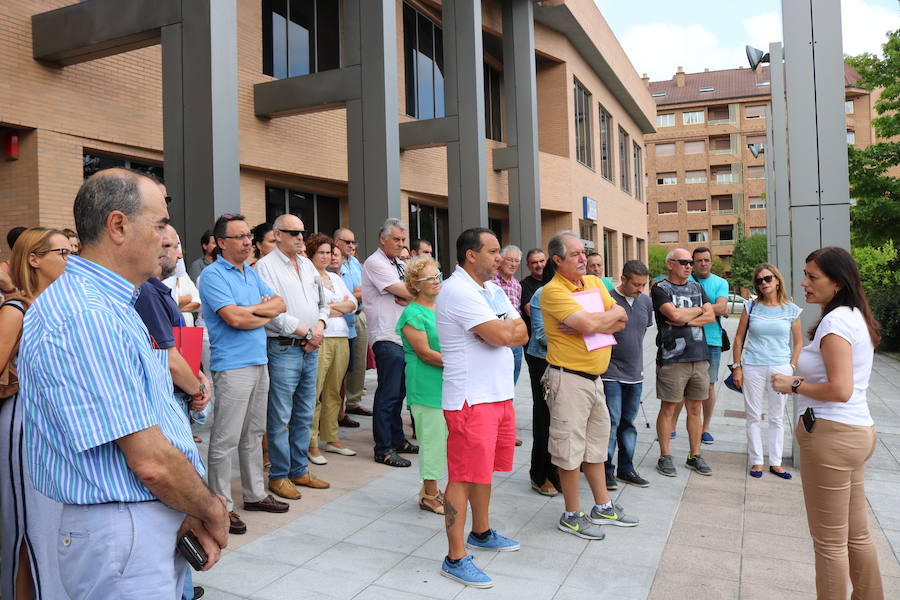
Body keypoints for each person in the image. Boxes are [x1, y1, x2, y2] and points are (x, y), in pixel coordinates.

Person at [19, 169, 229, 598]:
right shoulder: (88, 315)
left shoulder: (113, 304)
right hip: (122, 532)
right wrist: (211, 507)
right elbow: (149, 461)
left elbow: (154, 427)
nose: (168, 235)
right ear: (118, 225)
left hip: (136, 523)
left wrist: (184, 508)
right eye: (160, 223)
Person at [771, 247, 884, 599]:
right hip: (855, 433)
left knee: (830, 543)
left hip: (833, 437)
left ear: (837, 282)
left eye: (812, 277)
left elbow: (840, 389)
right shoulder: (853, 315)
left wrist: (793, 384)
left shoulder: (836, 322)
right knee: (855, 535)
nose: (803, 282)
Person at [436, 227, 527, 588]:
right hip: (470, 399)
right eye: (492, 252)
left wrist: (503, 330)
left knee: (484, 470)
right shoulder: (457, 290)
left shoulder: (490, 290)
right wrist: (503, 330)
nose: (500, 259)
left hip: (497, 393)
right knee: (462, 474)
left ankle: (482, 532)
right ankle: (455, 557)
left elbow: (521, 330)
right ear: (470, 255)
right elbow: (507, 336)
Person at [540, 231, 637, 540]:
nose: (583, 259)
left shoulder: (595, 283)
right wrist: (595, 320)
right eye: (575, 255)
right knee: (568, 450)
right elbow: (593, 324)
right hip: (567, 379)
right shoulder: (553, 292)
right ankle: (571, 514)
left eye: (584, 253)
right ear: (557, 260)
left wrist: (594, 321)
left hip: (595, 379)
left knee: (596, 447)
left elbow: (623, 317)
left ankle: (603, 506)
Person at [133, 223, 212, 600]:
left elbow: (182, 345)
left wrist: (198, 379)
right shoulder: (147, 293)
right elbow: (167, 357)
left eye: (177, 246)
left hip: (183, 390)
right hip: (171, 398)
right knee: (178, 498)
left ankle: (181, 586)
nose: (178, 254)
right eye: (169, 246)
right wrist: (196, 388)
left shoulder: (160, 290)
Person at [200, 213, 289, 536]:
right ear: (221, 243)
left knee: (254, 433)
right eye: (238, 237)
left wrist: (254, 313)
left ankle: (254, 494)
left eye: (248, 236)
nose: (247, 241)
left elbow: (280, 303)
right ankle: (221, 504)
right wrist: (259, 313)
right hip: (232, 365)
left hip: (258, 360)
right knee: (225, 438)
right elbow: (233, 319)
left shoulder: (250, 273)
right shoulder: (212, 276)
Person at [1, 227, 69, 600]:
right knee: (29, 529)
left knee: (52, 530)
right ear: (34, 259)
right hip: (24, 423)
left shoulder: (56, 306)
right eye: (62, 253)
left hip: (53, 426)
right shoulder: (16, 309)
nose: (69, 261)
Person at [253, 215, 331, 500]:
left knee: (305, 412)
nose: (300, 237)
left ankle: (300, 469)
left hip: (311, 346)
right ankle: (279, 475)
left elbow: (324, 303)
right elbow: (269, 313)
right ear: (277, 234)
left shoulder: (308, 264)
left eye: (302, 232)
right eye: (293, 232)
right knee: (281, 414)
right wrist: (305, 332)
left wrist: (319, 328)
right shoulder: (265, 267)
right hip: (284, 347)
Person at [731, 264, 801, 478]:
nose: (764, 283)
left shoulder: (791, 309)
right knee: (753, 415)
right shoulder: (750, 307)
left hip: (780, 367)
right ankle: (757, 461)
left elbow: (798, 343)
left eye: (768, 278)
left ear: (777, 280)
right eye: (759, 280)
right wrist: (737, 367)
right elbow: (739, 338)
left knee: (777, 417)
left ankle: (776, 462)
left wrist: (791, 366)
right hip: (753, 366)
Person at [652, 248, 715, 477]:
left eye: (691, 262)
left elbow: (711, 316)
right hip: (672, 358)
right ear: (670, 264)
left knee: (695, 409)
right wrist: (697, 312)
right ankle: (665, 455)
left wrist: (687, 316)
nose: (689, 266)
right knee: (669, 408)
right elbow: (674, 316)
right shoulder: (660, 288)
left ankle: (694, 455)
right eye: (684, 262)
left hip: (699, 357)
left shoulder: (697, 287)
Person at [362, 218, 418, 467]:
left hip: (402, 337)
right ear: (382, 239)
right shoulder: (375, 262)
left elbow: (415, 290)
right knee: (388, 394)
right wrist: (411, 293)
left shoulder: (398, 263)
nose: (400, 244)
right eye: (396, 239)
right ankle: (383, 449)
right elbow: (409, 291)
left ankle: (397, 440)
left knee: (399, 394)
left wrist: (412, 293)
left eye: (403, 240)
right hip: (386, 337)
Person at [397, 255, 446, 514]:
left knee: (444, 440)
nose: (436, 280)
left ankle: (431, 489)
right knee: (433, 441)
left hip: (447, 384)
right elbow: (426, 354)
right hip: (426, 386)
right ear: (415, 284)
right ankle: (430, 494)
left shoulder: (442, 307)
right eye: (429, 277)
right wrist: (459, 362)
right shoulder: (412, 313)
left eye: (437, 275)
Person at [602, 260, 653, 491]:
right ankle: (606, 470)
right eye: (635, 284)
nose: (640, 289)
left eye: (643, 284)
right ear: (623, 279)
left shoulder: (646, 302)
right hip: (610, 372)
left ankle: (627, 468)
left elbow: (641, 332)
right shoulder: (607, 300)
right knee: (610, 422)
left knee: (628, 423)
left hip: (636, 373)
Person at [307, 234, 357, 460]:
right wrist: (337, 307)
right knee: (314, 392)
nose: (326, 256)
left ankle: (331, 437)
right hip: (321, 338)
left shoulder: (335, 278)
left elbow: (353, 305)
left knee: (334, 391)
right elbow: (315, 308)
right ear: (311, 254)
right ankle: (311, 442)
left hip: (341, 337)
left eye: (329, 252)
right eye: (321, 252)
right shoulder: (308, 276)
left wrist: (329, 308)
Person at [689, 246, 729, 445]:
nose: (703, 263)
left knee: (709, 386)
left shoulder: (720, 282)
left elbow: (722, 307)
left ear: (711, 262)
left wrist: (693, 310)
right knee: (682, 384)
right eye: (699, 261)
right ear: (693, 263)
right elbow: (676, 309)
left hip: (712, 341)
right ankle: (670, 427)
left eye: (706, 260)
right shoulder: (685, 281)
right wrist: (708, 310)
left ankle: (706, 427)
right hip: (687, 339)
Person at [334, 227, 372, 421]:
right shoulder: (335, 263)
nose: (351, 246)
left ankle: (354, 402)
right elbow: (346, 295)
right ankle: (338, 410)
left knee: (359, 362)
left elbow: (364, 288)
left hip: (359, 313)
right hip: (342, 318)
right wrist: (357, 293)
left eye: (353, 242)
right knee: (342, 367)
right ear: (337, 242)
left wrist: (357, 293)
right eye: (347, 242)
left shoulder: (355, 262)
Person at [525, 277, 558, 497]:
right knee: (545, 419)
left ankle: (557, 472)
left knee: (563, 422)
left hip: (568, 361)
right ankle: (539, 475)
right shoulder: (542, 294)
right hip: (542, 362)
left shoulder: (581, 291)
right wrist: (579, 328)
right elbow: (541, 335)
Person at [490, 245, 524, 384]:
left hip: (516, 341)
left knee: (512, 382)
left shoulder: (517, 284)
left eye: (516, 261)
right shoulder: (491, 282)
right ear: (501, 260)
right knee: (497, 380)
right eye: (509, 259)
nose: (513, 264)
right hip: (498, 338)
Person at [519, 248, 545, 335]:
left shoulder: (555, 280)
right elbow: (532, 312)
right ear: (528, 266)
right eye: (534, 262)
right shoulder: (524, 285)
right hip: (537, 337)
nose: (539, 265)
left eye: (542, 261)